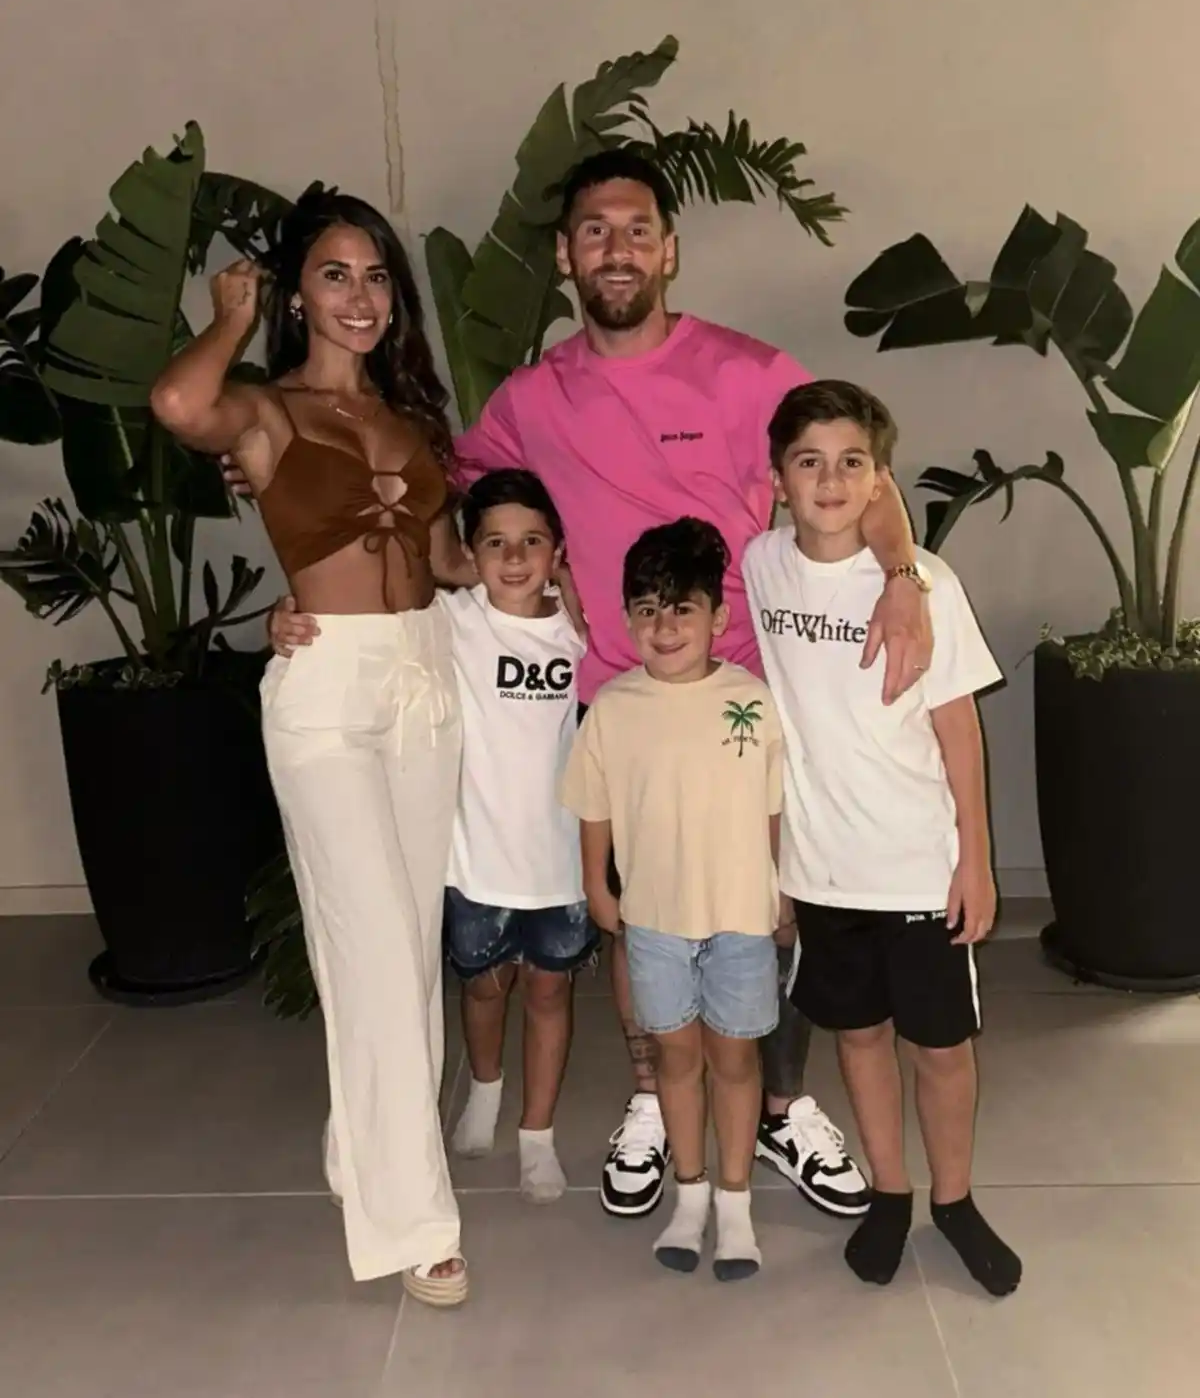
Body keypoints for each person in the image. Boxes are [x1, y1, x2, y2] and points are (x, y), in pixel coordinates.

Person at [453, 149, 933, 1221]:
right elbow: (464, 500)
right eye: (594, 231)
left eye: (637, 229)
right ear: (565, 256)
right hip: (622, 703)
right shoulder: (530, 399)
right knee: (645, 916)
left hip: (752, 693)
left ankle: (779, 1106)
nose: (616, 249)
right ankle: (650, 1099)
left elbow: (864, 475)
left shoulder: (748, 373)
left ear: (669, 250)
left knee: (774, 906)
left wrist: (903, 580)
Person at [150, 190, 474, 1306]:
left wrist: (541, 570)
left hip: (425, 672)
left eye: (376, 276)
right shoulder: (266, 410)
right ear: (298, 293)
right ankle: (415, 1220)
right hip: (329, 685)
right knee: (371, 942)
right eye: (335, 275)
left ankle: (364, 1152)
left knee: (406, 945)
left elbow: (447, 559)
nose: (361, 296)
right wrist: (230, 318)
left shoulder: (412, 420)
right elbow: (177, 401)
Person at [742, 379, 1022, 1297]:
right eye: (809, 462)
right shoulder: (760, 564)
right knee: (858, 1036)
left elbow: (958, 729)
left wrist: (975, 860)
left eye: (851, 463)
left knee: (939, 1047)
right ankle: (891, 1193)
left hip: (916, 868)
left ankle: (955, 1200)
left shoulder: (926, 583)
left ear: (879, 478)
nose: (830, 481)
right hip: (822, 869)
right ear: (778, 479)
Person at [269, 469, 596, 1203]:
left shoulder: (579, 629)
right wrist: (281, 618)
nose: (515, 558)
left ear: (557, 551)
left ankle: (537, 1134)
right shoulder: (451, 619)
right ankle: (485, 1089)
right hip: (475, 862)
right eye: (496, 543)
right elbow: (361, 617)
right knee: (483, 990)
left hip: (560, 863)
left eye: (532, 541)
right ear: (468, 555)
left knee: (549, 995)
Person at [561, 518, 785, 1280]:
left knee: (736, 1060)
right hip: (654, 920)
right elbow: (593, 806)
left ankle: (735, 1203)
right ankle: (689, 1196)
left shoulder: (751, 700)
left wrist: (782, 891)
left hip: (741, 917)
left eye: (682, 608)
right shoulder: (614, 707)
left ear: (718, 618)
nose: (664, 627)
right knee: (675, 1059)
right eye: (648, 609)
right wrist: (596, 884)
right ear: (627, 619)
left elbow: (774, 807)